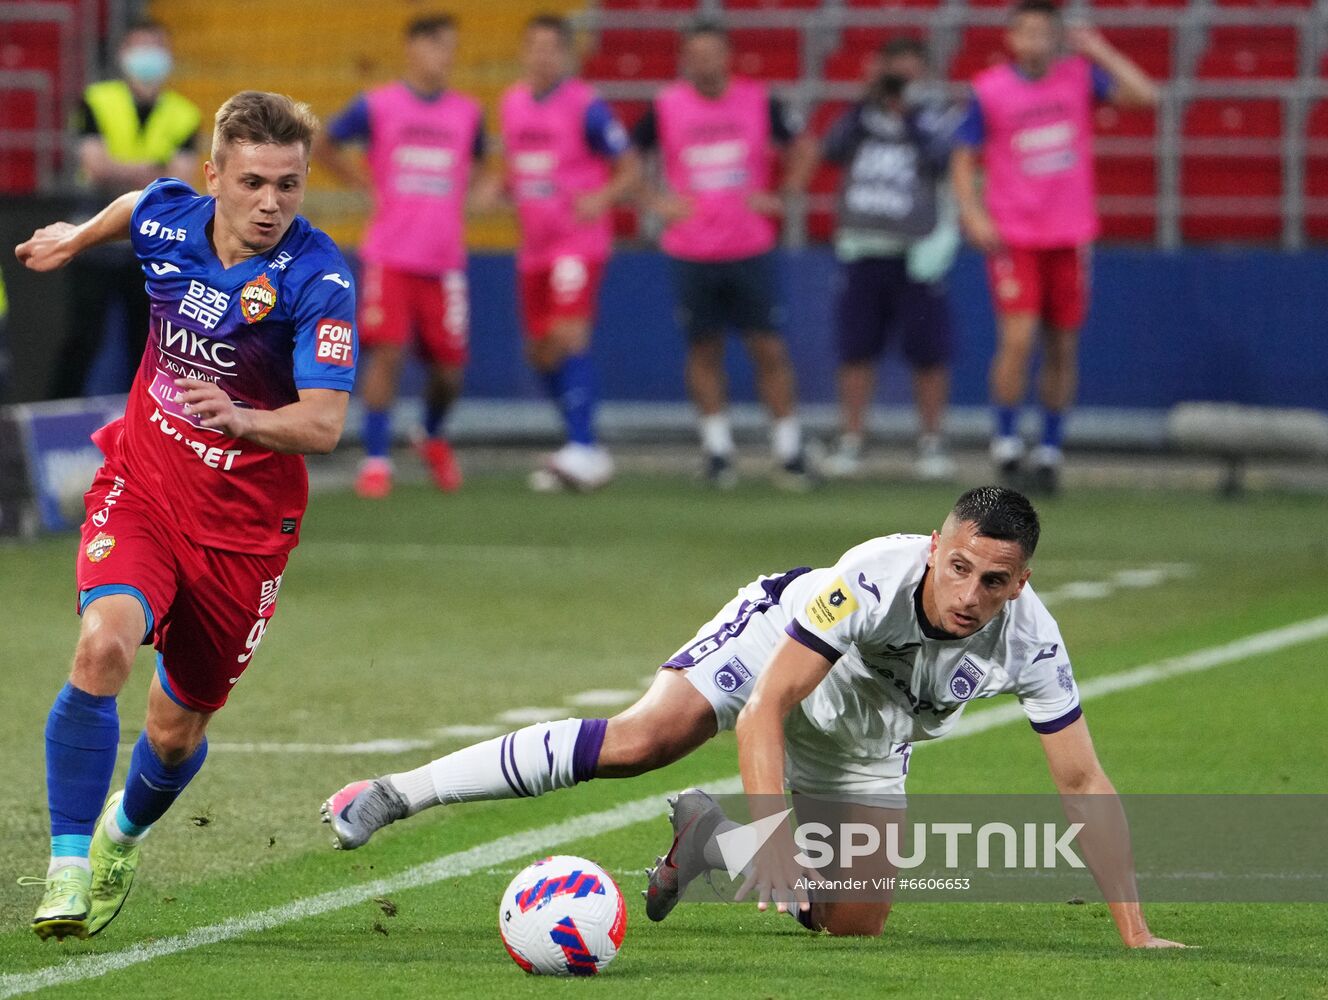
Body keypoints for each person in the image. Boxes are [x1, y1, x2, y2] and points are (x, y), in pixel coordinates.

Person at [322, 485, 1182, 947]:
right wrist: (776, 833)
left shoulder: (1030, 640)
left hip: (869, 732)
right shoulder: (873, 577)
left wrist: (1135, 933)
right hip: (788, 651)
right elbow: (767, 707)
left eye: (994, 581)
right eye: (958, 567)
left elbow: (1081, 781)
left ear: (1020, 583)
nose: (969, 593)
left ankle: (709, 839)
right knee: (645, 740)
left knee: (853, 925)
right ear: (935, 548)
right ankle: (397, 792)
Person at [15, 91, 358, 941]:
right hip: (143, 489)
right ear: (213, 178)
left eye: (289, 184)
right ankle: (64, 867)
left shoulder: (319, 279)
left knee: (174, 732)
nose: (272, 203)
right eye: (252, 183)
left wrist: (243, 419)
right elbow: (135, 205)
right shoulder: (172, 218)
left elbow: (322, 422)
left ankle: (119, 837)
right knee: (102, 647)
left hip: (244, 533)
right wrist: (75, 234)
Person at [952, 1, 1157, 494]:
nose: (1033, 42)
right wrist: (973, 212)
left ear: (1057, 37)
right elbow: (962, 156)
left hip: (1068, 232)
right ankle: (1005, 443)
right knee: (1018, 339)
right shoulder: (990, 90)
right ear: (1011, 38)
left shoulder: (1079, 77)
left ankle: (1049, 450)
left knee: (1062, 344)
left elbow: (1145, 96)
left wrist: (1101, 51)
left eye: (1043, 33)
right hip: (1015, 233)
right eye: (1024, 33)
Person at [630, 20, 818, 490]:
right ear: (684, 59)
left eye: (712, 53)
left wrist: (784, 190)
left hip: (749, 245)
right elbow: (625, 159)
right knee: (703, 348)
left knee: (768, 347)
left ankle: (788, 449)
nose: (704, 62)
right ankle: (717, 450)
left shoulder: (758, 100)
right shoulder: (666, 106)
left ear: (727, 56)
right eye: (695, 54)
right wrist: (656, 203)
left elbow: (806, 145)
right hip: (691, 249)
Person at [315, 14, 485, 499]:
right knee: (387, 352)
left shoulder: (468, 112)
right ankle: (375, 459)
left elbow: (477, 166)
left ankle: (430, 435)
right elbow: (325, 143)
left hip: (445, 259)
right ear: (412, 49)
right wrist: (361, 182)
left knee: (449, 371)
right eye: (435, 46)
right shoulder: (378, 105)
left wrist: (474, 197)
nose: (444, 56)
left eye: (450, 47)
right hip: (390, 253)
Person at [485, 13, 639, 492]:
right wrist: (501, 186)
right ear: (523, 52)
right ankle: (585, 448)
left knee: (569, 335)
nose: (542, 55)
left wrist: (602, 197)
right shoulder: (511, 103)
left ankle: (582, 447)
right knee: (540, 352)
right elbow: (521, 166)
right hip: (534, 246)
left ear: (567, 54)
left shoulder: (586, 106)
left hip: (577, 241)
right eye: (534, 46)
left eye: (552, 47)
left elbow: (630, 166)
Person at [802, 37, 963, 481]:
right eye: (895, 71)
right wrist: (866, 100)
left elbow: (942, 158)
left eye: (910, 71)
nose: (902, 80)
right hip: (863, 246)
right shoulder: (858, 116)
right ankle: (852, 439)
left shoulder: (940, 116)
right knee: (856, 350)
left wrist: (908, 115)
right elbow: (830, 150)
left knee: (928, 354)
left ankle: (931, 442)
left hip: (918, 252)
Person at [48, 19, 201, 400]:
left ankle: (147, 423)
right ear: (122, 54)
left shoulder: (185, 114)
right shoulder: (97, 100)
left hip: (151, 247)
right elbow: (95, 166)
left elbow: (181, 179)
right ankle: (57, 418)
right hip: (94, 237)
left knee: (147, 342)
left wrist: (124, 170)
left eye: (156, 46)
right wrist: (154, 169)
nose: (148, 55)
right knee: (82, 338)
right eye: (140, 46)